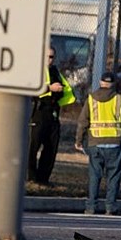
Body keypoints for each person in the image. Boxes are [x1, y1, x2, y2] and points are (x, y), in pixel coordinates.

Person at [75, 71, 121, 215]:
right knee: (114, 176)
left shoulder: (91, 99)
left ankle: (91, 207)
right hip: (115, 143)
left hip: (95, 142)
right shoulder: (120, 99)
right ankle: (110, 207)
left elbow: (83, 121)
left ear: (101, 83)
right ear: (113, 84)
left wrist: (79, 140)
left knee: (95, 175)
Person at [28, 47, 75, 185]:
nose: (50, 59)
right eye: (48, 56)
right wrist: (49, 88)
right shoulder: (35, 70)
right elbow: (30, 89)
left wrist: (59, 93)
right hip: (39, 112)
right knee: (33, 146)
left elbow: (66, 90)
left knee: (51, 147)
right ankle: (30, 177)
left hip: (53, 112)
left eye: (52, 57)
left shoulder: (55, 72)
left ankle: (43, 179)